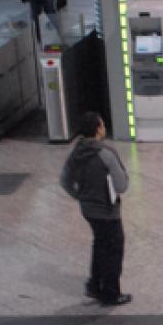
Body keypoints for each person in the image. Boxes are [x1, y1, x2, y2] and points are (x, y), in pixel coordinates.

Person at [58, 112, 131, 306]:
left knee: (100, 244)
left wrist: (79, 196)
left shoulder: (76, 153)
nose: (104, 128)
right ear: (98, 129)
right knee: (113, 249)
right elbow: (121, 185)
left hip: (88, 210)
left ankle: (94, 285)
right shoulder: (105, 153)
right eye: (103, 125)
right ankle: (110, 293)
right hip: (107, 211)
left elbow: (64, 181)